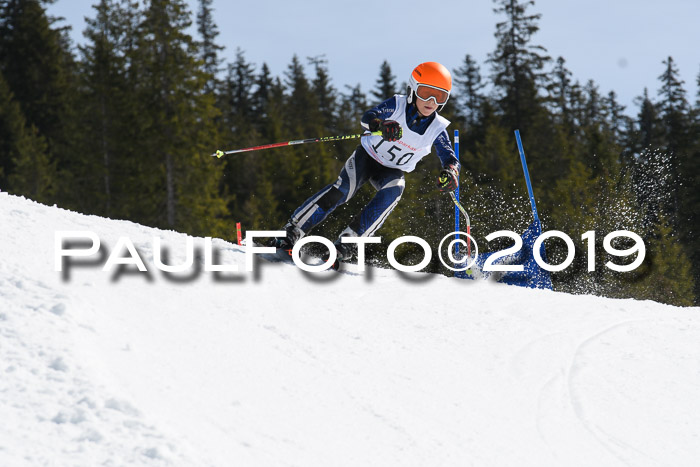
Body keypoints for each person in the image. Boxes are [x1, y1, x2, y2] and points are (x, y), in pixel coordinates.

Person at [274, 61, 460, 267]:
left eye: (439, 96)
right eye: (425, 93)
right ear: (413, 90)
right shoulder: (397, 105)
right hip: (368, 158)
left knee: (395, 190)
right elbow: (368, 117)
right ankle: (290, 232)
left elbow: (450, 158)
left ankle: (346, 245)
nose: (431, 101)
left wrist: (451, 172)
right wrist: (380, 124)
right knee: (344, 189)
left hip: (392, 171)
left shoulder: (437, 128)